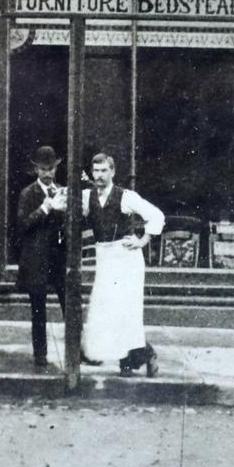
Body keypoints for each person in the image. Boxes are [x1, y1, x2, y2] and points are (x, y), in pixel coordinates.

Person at [82, 152, 164, 377]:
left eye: (103, 171)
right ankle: (128, 357)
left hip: (125, 258)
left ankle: (137, 358)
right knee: (106, 310)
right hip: (105, 258)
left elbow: (156, 215)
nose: (99, 175)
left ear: (113, 172)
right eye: (95, 171)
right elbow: (65, 205)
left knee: (126, 311)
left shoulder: (126, 197)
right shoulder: (87, 196)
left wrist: (141, 241)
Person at [16, 146, 67, 369]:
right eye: (43, 169)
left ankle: (77, 350)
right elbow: (22, 225)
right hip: (36, 259)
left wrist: (64, 211)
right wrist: (45, 209)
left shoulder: (62, 192)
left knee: (70, 306)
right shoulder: (28, 194)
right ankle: (40, 354)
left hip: (58, 258)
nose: (48, 173)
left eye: (51, 169)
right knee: (39, 309)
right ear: (36, 169)